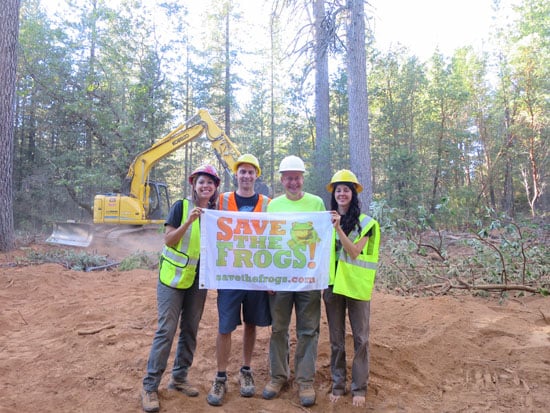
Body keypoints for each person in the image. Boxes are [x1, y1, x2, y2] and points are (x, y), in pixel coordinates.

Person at [141, 165, 221, 413]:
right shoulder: (181, 207)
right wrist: (189, 221)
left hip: (199, 280)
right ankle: (150, 387)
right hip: (173, 279)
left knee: (190, 329)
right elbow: (168, 239)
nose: (205, 186)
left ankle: (179, 377)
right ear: (194, 185)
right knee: (166, 329)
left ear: (216, 187)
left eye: (210, 182)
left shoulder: (217, 213)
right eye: (201, 182)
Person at [206, 154, 271, 406]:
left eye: (250, 172)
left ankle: (246, 371)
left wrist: (272, 277)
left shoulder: (267, 203)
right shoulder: (221, 199)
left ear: (257, 175)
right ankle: (220, 376)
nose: (246, 176)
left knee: (252, 323)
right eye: (242, 172)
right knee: (225, 326)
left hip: (255, 275)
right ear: (236, 175)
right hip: (229, 274)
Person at [262, 155, 325, 407]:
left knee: (308, 329)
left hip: (308, 278)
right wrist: (267, 276)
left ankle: (305, 381)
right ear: (281, 180)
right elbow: (267, 242)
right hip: (279, 278)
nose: (293, 182)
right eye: (288, 177)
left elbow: (322, 239)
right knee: (278, 328)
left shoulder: (317, 202)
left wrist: (321, 274)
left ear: (302, 178)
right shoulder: (273, 206)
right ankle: (278, 376)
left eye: (296, 177)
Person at [323, 169, 381, 408]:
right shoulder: (325, 220)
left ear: (354, 194)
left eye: (347, 190)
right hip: (332, 285)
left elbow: (354, 251)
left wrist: (337, 229)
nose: (342, 193)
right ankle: (338, 384)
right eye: (339, 190)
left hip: (356, 286)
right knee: (336, 338)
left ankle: (359, 387)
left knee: (360, 338)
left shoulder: (367, 223)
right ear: (334, 194)